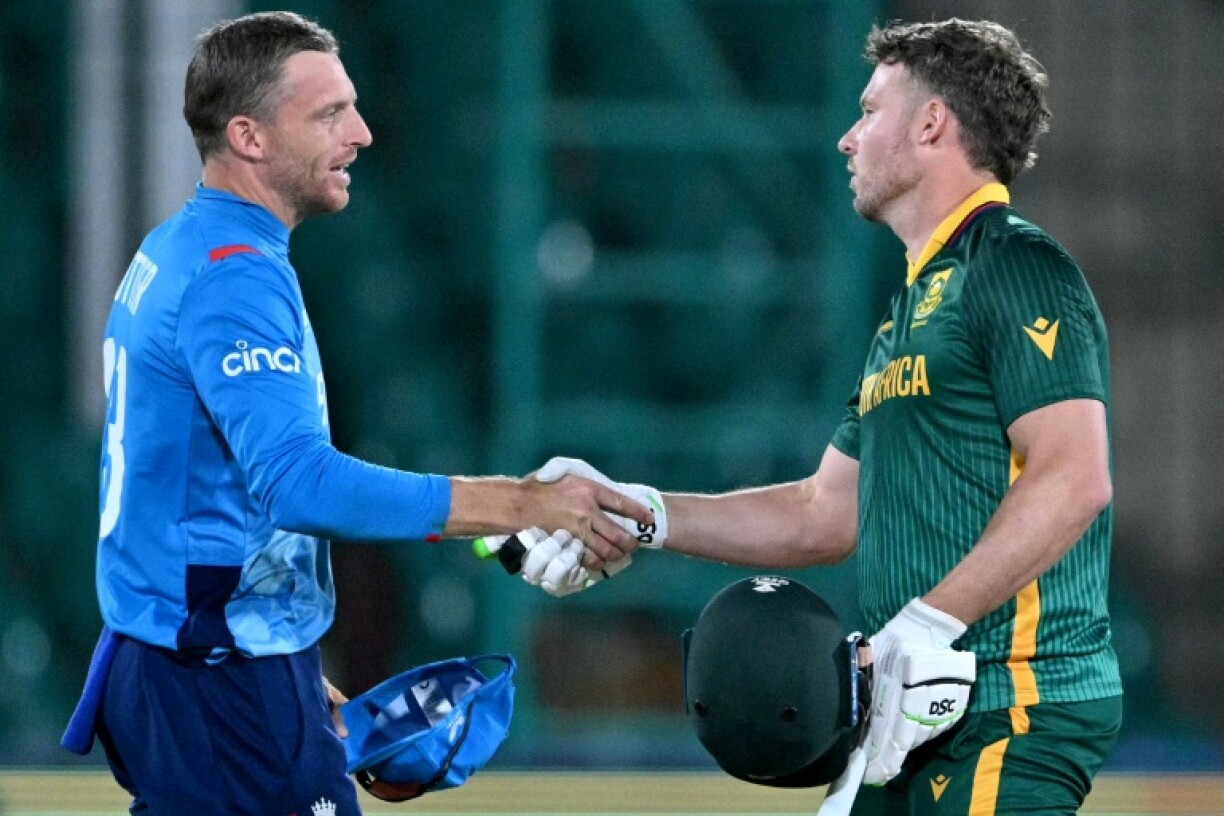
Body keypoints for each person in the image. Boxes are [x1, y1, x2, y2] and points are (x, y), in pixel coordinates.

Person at [523, 18, 1122, 816]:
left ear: (931, 123)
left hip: (1011, 704)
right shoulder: (907, 312)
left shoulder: (1016, 265)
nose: (847, 139)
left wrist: (929, 622)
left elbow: (1075, 477)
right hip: (911, 712)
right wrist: (641, 514)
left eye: (869, 111)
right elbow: (820, 515)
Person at [62, 11, 650, 816]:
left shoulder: (178, 247)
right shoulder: (234, 278)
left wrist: (295, 664)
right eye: (330, 113)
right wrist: (525, 501)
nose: (363, 133)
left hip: (184, 658)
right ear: (250, 136)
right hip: (217, 681)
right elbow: (299, 486)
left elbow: (193, 490)